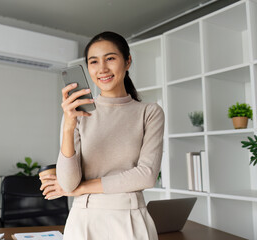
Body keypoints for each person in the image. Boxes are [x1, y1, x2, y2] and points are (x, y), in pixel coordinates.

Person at [40, 31, 165, 240]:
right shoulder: (76, 113)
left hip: (131, 219)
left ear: (127, 62)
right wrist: (68, 126)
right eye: (94, 62)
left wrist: (81, 188)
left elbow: (146, 175)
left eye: (110, 58)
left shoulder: (149, 112)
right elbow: (68, 183)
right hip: (84, 220)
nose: (102, 69)